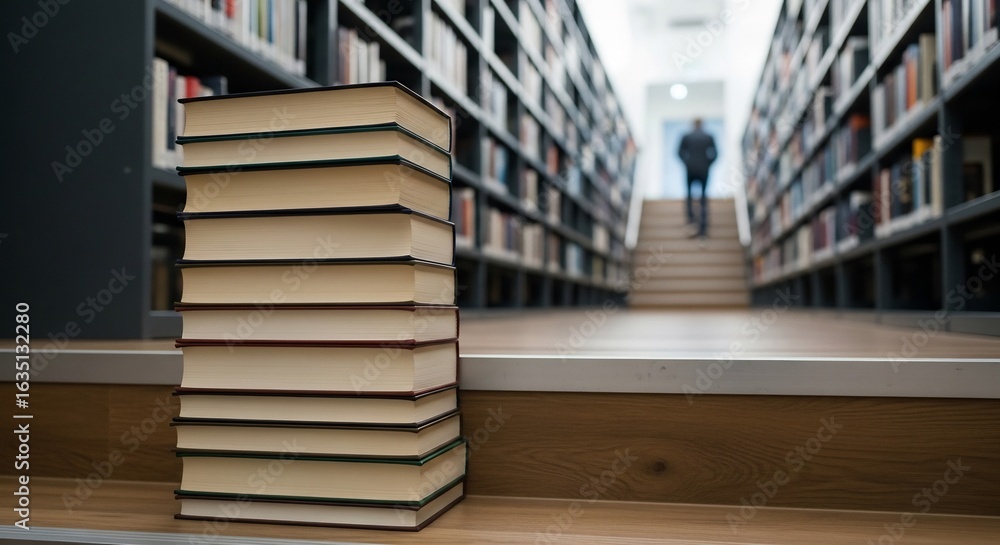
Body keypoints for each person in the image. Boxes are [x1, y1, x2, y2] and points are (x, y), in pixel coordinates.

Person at [678, 118, 717, 238]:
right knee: (703, 197)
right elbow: (715, 154)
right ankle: (703, 228)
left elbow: (679, 152)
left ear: (693, 124)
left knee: (689, 196)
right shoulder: (709, 137)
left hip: (690, 170)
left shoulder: (686, 136)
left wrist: (687, 163)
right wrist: (708, 164)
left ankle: (691, 222)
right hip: (704, 170)